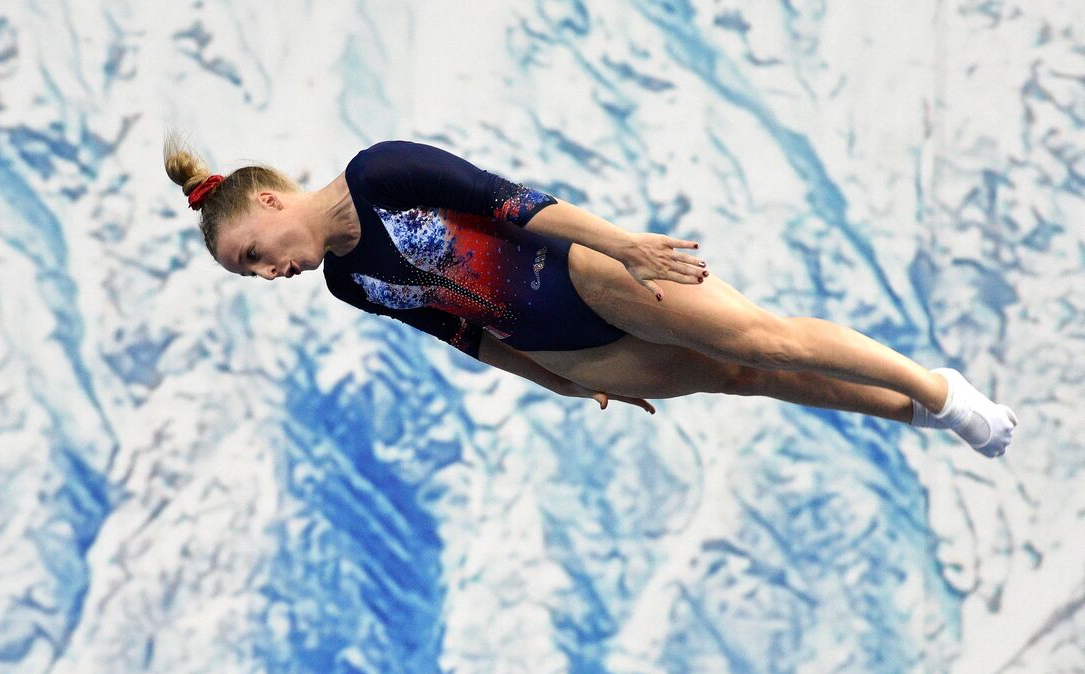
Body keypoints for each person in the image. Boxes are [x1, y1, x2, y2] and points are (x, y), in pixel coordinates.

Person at [162, 133, 1017, 458]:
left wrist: (621, 244)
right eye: (253, 276)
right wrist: (554, 381)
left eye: (255, 256)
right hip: (563, 343)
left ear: (269, 203)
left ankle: (938, 385)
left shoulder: (380, 170)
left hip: (578, 269)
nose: (269, 276)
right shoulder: (350, 283)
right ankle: (919, 414)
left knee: (761, 339)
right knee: (743, 379)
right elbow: (458, 331)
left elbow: (514, 201)